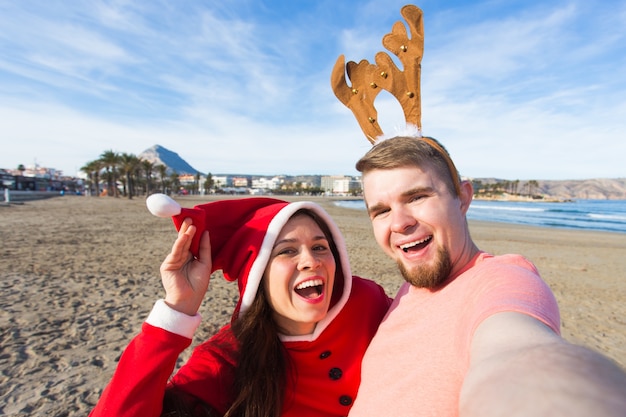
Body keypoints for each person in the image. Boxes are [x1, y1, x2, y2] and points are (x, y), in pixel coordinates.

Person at [347, 135, 626, 417]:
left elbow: (517, 353)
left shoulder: (501, 280)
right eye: (381, 211)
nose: (399, 223)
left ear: (463, 198)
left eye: (417, 197)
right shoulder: (408, 291)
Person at [90, 195, 391, 417]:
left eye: (320, 247)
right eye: (287, 251)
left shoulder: (367, 300)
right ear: (256, 274)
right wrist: (176, 313)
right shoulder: (226, 359)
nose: (311, 261)